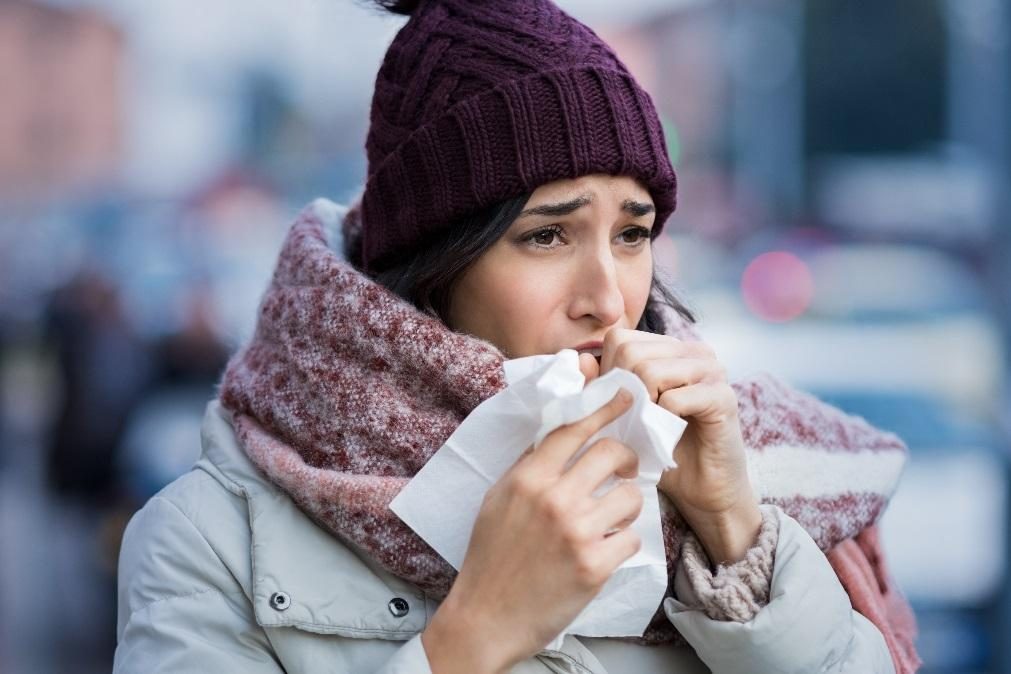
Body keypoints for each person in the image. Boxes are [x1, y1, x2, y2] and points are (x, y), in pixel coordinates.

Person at [113, 0, 922, 672]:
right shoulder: (209, 540)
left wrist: (734, 533)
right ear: (432, 261)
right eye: (546, 236)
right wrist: (474, 635)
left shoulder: (727, 471)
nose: (608, 298)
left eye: (632, 234)